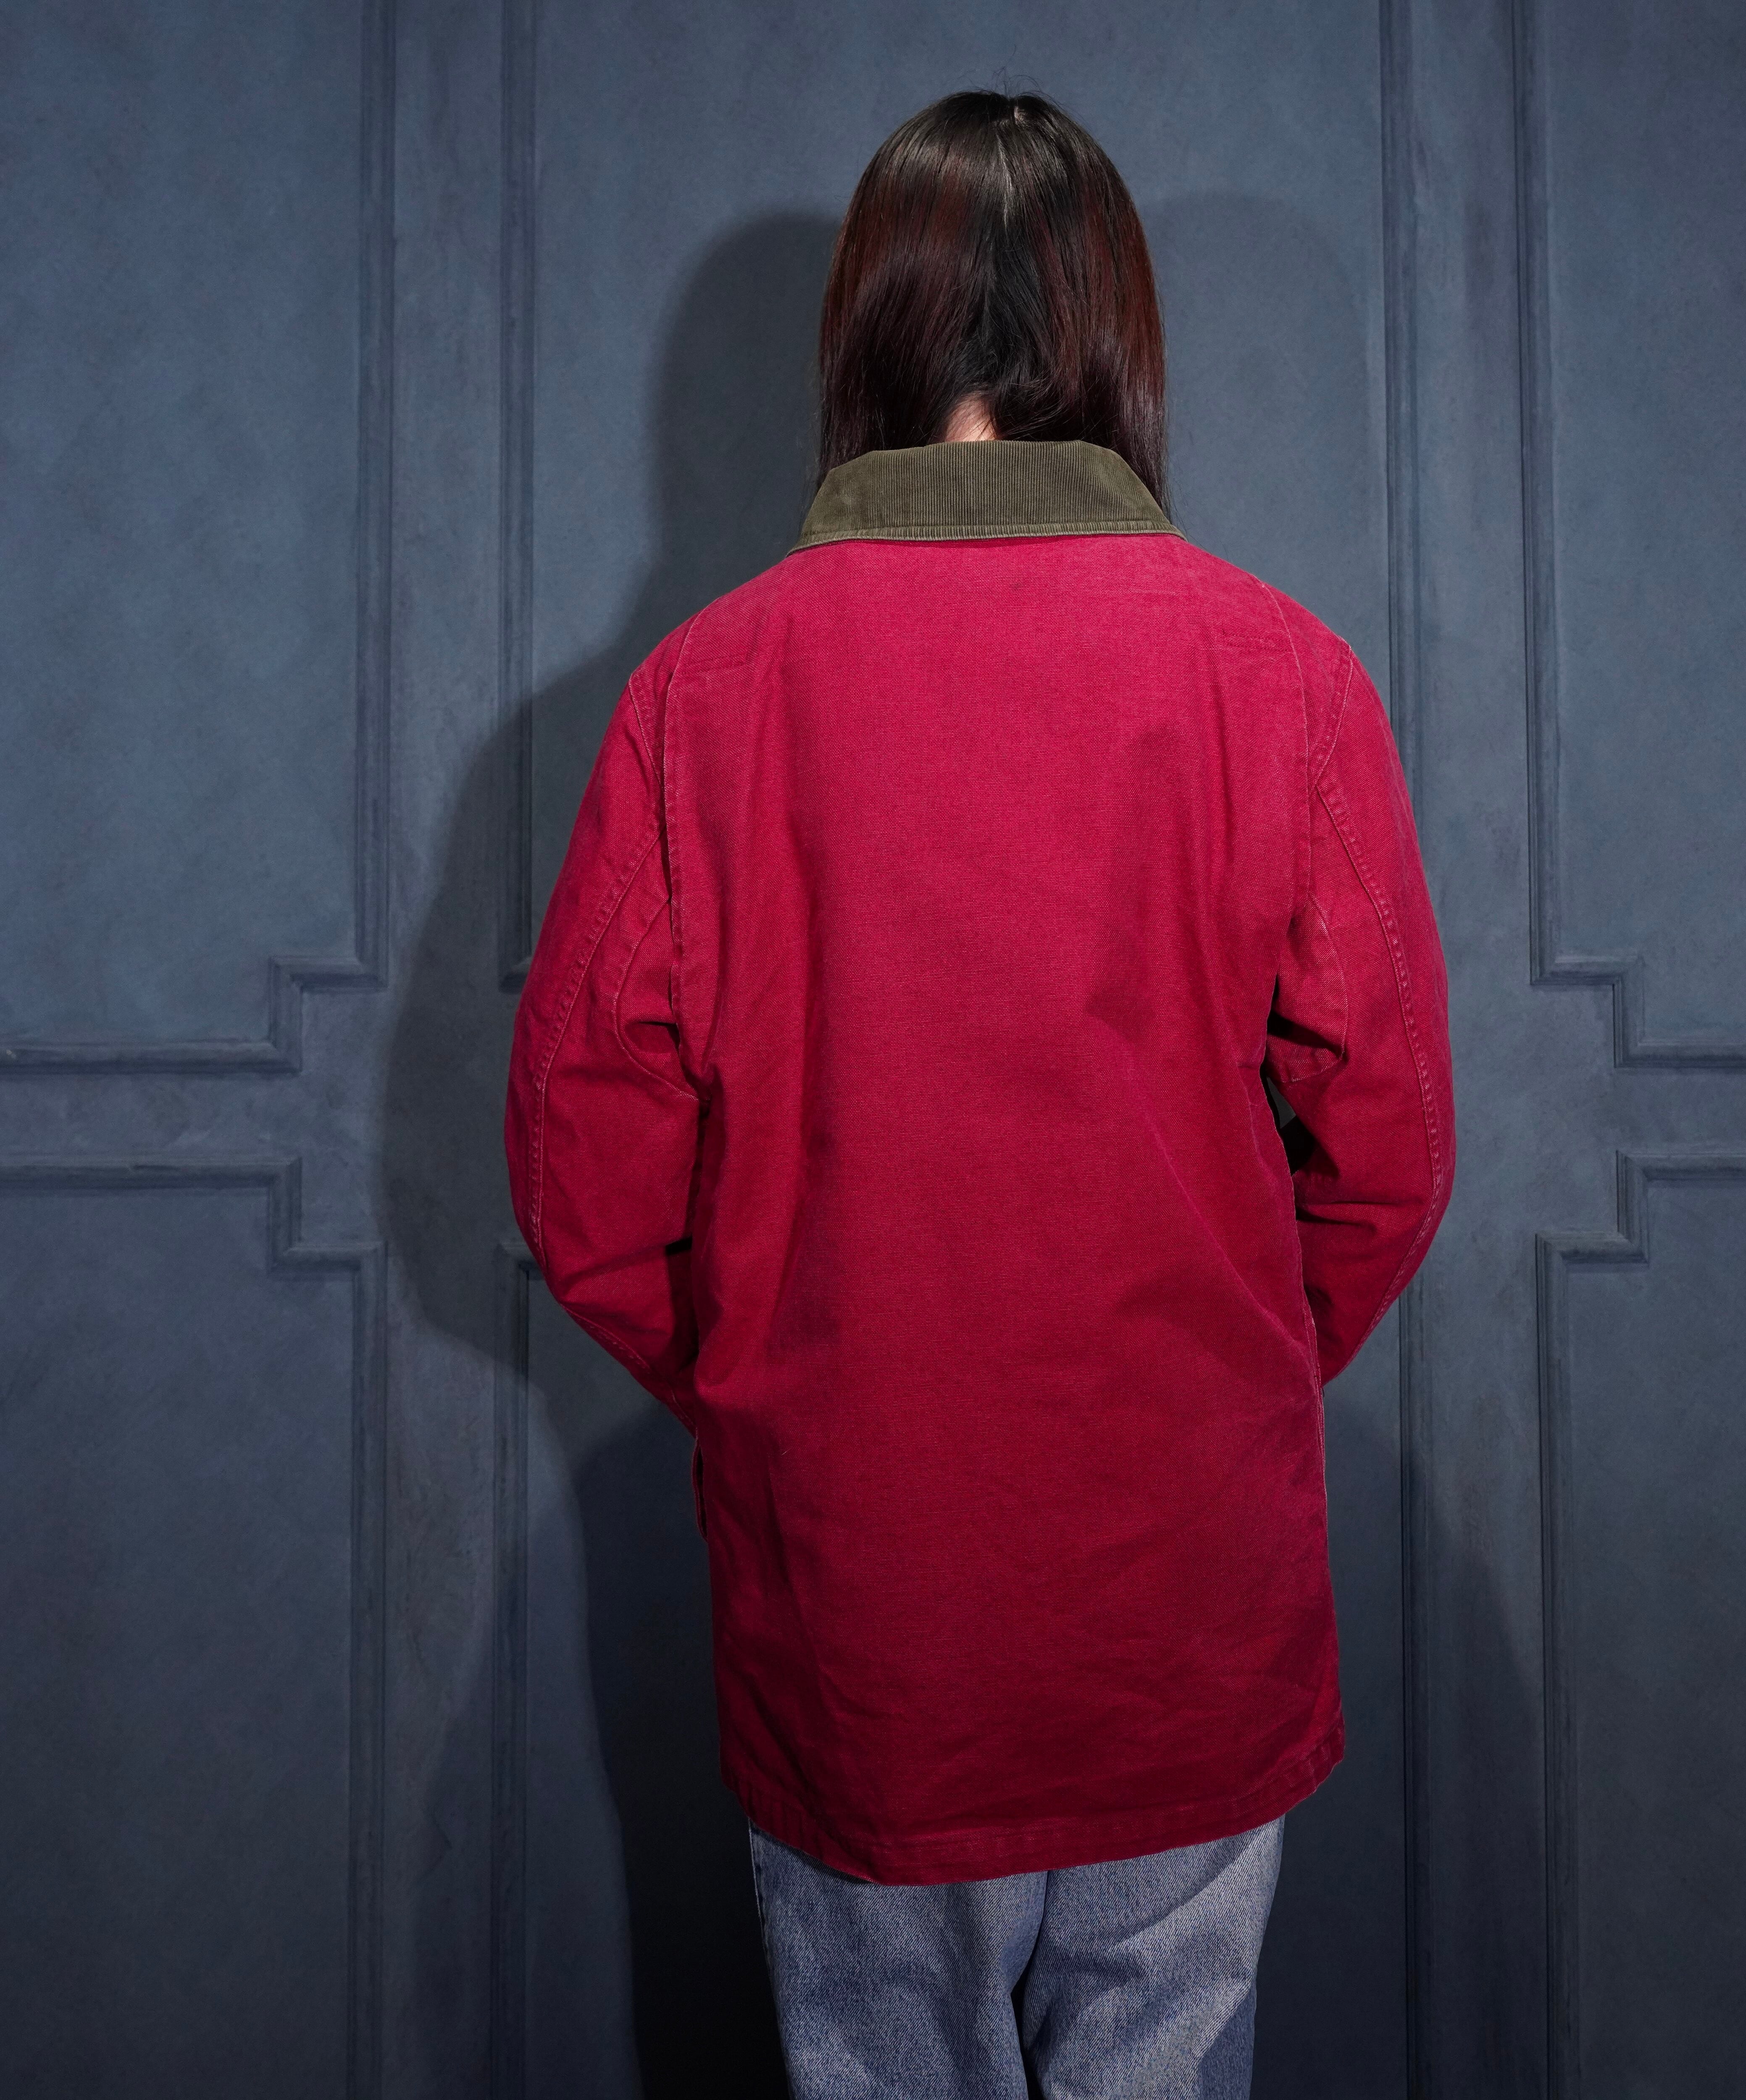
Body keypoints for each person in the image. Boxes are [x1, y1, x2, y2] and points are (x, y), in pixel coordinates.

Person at [505, 88, 1454, 2100]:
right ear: (1114, 338)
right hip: (1183, 1592)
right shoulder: (1278, 677)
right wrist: (1222, 1370)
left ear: (869, 327)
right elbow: (1385, 1154)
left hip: (860, 1596)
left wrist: (785, 1387)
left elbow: (586, 1186)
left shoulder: (702, 697)